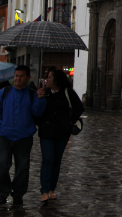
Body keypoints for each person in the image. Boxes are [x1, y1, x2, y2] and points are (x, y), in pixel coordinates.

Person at [0, 65, 46, 205]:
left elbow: (37, 113)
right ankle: (3, 192)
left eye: (21, 76)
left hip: (24, 136)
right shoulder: (5, 92)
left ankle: (18, 193)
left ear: (28, 78)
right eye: (16, 76)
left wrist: (40, 99)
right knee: (1, 165)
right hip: (5, 135)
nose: (18, 79)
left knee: (22, 167)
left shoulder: (32, 94)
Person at [37, 68, 84, 202]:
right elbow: (36, 110)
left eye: (50, 77)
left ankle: (52, 189)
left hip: (62, 132)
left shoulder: (67, 92)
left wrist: (70, 121)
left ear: (56, 80)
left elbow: (79, 107)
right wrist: (41, 122)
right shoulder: (45, 93)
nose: (47, 80)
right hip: (46, 132)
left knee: (56, 161)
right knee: (47, 160)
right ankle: (44, 190)